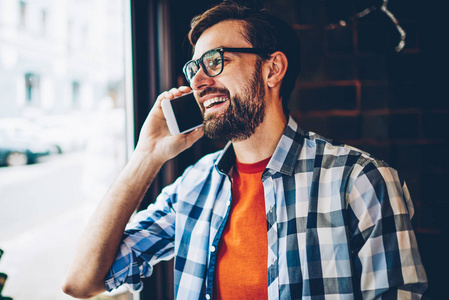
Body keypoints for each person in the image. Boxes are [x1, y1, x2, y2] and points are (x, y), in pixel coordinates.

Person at [62, 1, 428, 299]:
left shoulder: (360, 181)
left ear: (272, 69)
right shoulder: (195, 187)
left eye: (216, 62)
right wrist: (147, 156)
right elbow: (83, 281)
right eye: (194, 69)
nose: (199, 82)